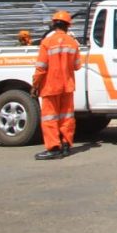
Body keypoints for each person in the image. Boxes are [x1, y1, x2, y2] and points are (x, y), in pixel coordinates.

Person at [31, 11, 82, 160]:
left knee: (50, 118)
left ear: (54, 24)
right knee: (67, 117)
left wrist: (35, 85)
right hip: (67, 86)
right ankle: (66, 145)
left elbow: (41, 67)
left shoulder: (47, 42)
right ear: (68, 25)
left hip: (50, 86)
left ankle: (53, 148)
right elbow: (77, 66)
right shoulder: (73, 43)